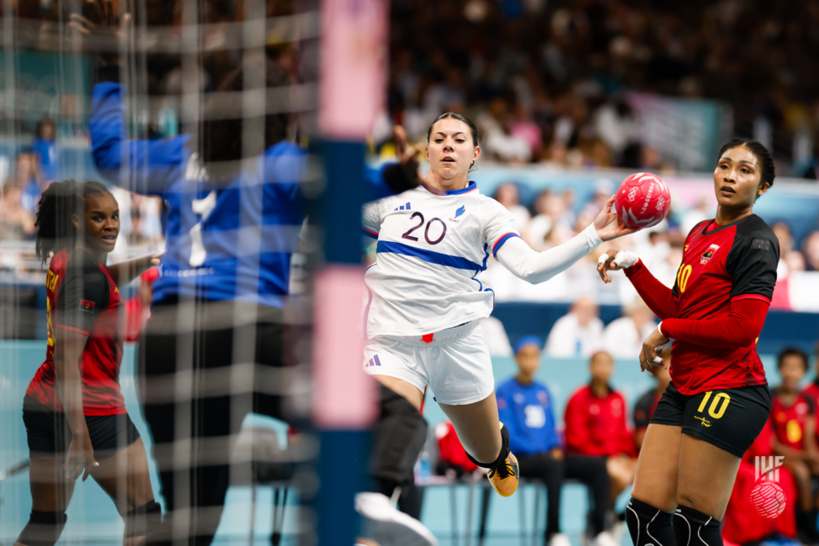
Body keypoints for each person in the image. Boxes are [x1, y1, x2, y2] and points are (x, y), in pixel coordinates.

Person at [361, 111, 634, 502]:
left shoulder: (486, 211)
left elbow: (531, 268)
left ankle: (497, 455)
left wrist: (593, 235)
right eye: (439, 139)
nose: (448, 146)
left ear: (474, 153)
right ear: (426, 150)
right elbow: (326, 230)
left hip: (457, 344)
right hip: (392, 343)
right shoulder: (390, 203)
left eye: (458, 139)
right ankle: (374, 516)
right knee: (389, 436)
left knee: (485, 451)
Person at [597, 138, 780, 546]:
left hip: (732, 390)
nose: (730, 176)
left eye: (745, 171)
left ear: (763, 186)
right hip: (684, 385)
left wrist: (667, 331)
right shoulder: (699, 231)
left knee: (694, 525)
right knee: (642, 516)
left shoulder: (757, 241)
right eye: (724, 165)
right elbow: (681, 309)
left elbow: (741, 329)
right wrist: (634, 266)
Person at [16, 179, 159, 546]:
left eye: (114, 216)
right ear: (78, 220)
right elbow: (67, 358)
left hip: (42, 400)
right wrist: (79, 435)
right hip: (92, 411)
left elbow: (103, 283)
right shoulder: (88, 276)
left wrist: (147, 262)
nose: (111, 225)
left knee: (45, 526)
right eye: (99, 218)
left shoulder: (66, 260)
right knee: (143, 517)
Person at [496, 336, 610, 546]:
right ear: (517, 359)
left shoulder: (543, 391)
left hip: (549, 456)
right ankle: (553, 532)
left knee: (596, 466)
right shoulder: (505, 391)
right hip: (521, 458)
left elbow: (551, 427)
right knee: (553, 466)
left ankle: (599, 531)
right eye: (526, 356)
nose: (531, 361)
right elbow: (507, 432)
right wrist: (538, 450)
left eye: (535, 356)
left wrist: (555, 446)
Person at [563, 350, 636, 532]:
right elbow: (576, 437)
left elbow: (623, 434)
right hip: (589, 457)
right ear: (590, 367)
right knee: (619, 475)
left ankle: (606, 513)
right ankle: (603, 517)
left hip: (615, 456)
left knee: (645, 472)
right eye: (599, 363)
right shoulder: (579, 397)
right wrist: (607, 456)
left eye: (608, 364)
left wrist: (628, 456)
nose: (603, 368)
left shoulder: (618, 398)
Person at [770, 347, 819, 542]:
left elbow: (807, 440)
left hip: (797, 455)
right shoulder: (770, 397)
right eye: (787, 367)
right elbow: (771, 443)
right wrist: (805, 457)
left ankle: (813, 516)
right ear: (779, 369)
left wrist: (812, 455)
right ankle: (804, 524)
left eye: (796, 368)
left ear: (804, 371)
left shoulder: (806, 400)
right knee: (800, 471)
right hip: (773, 456)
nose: (791, 372)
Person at [632, 352, 671, 452]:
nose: (668, 374)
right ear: (655, 371)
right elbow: (641, 440)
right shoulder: (644, 402)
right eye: (664, 369)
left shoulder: (686, 400)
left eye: (672, 369)